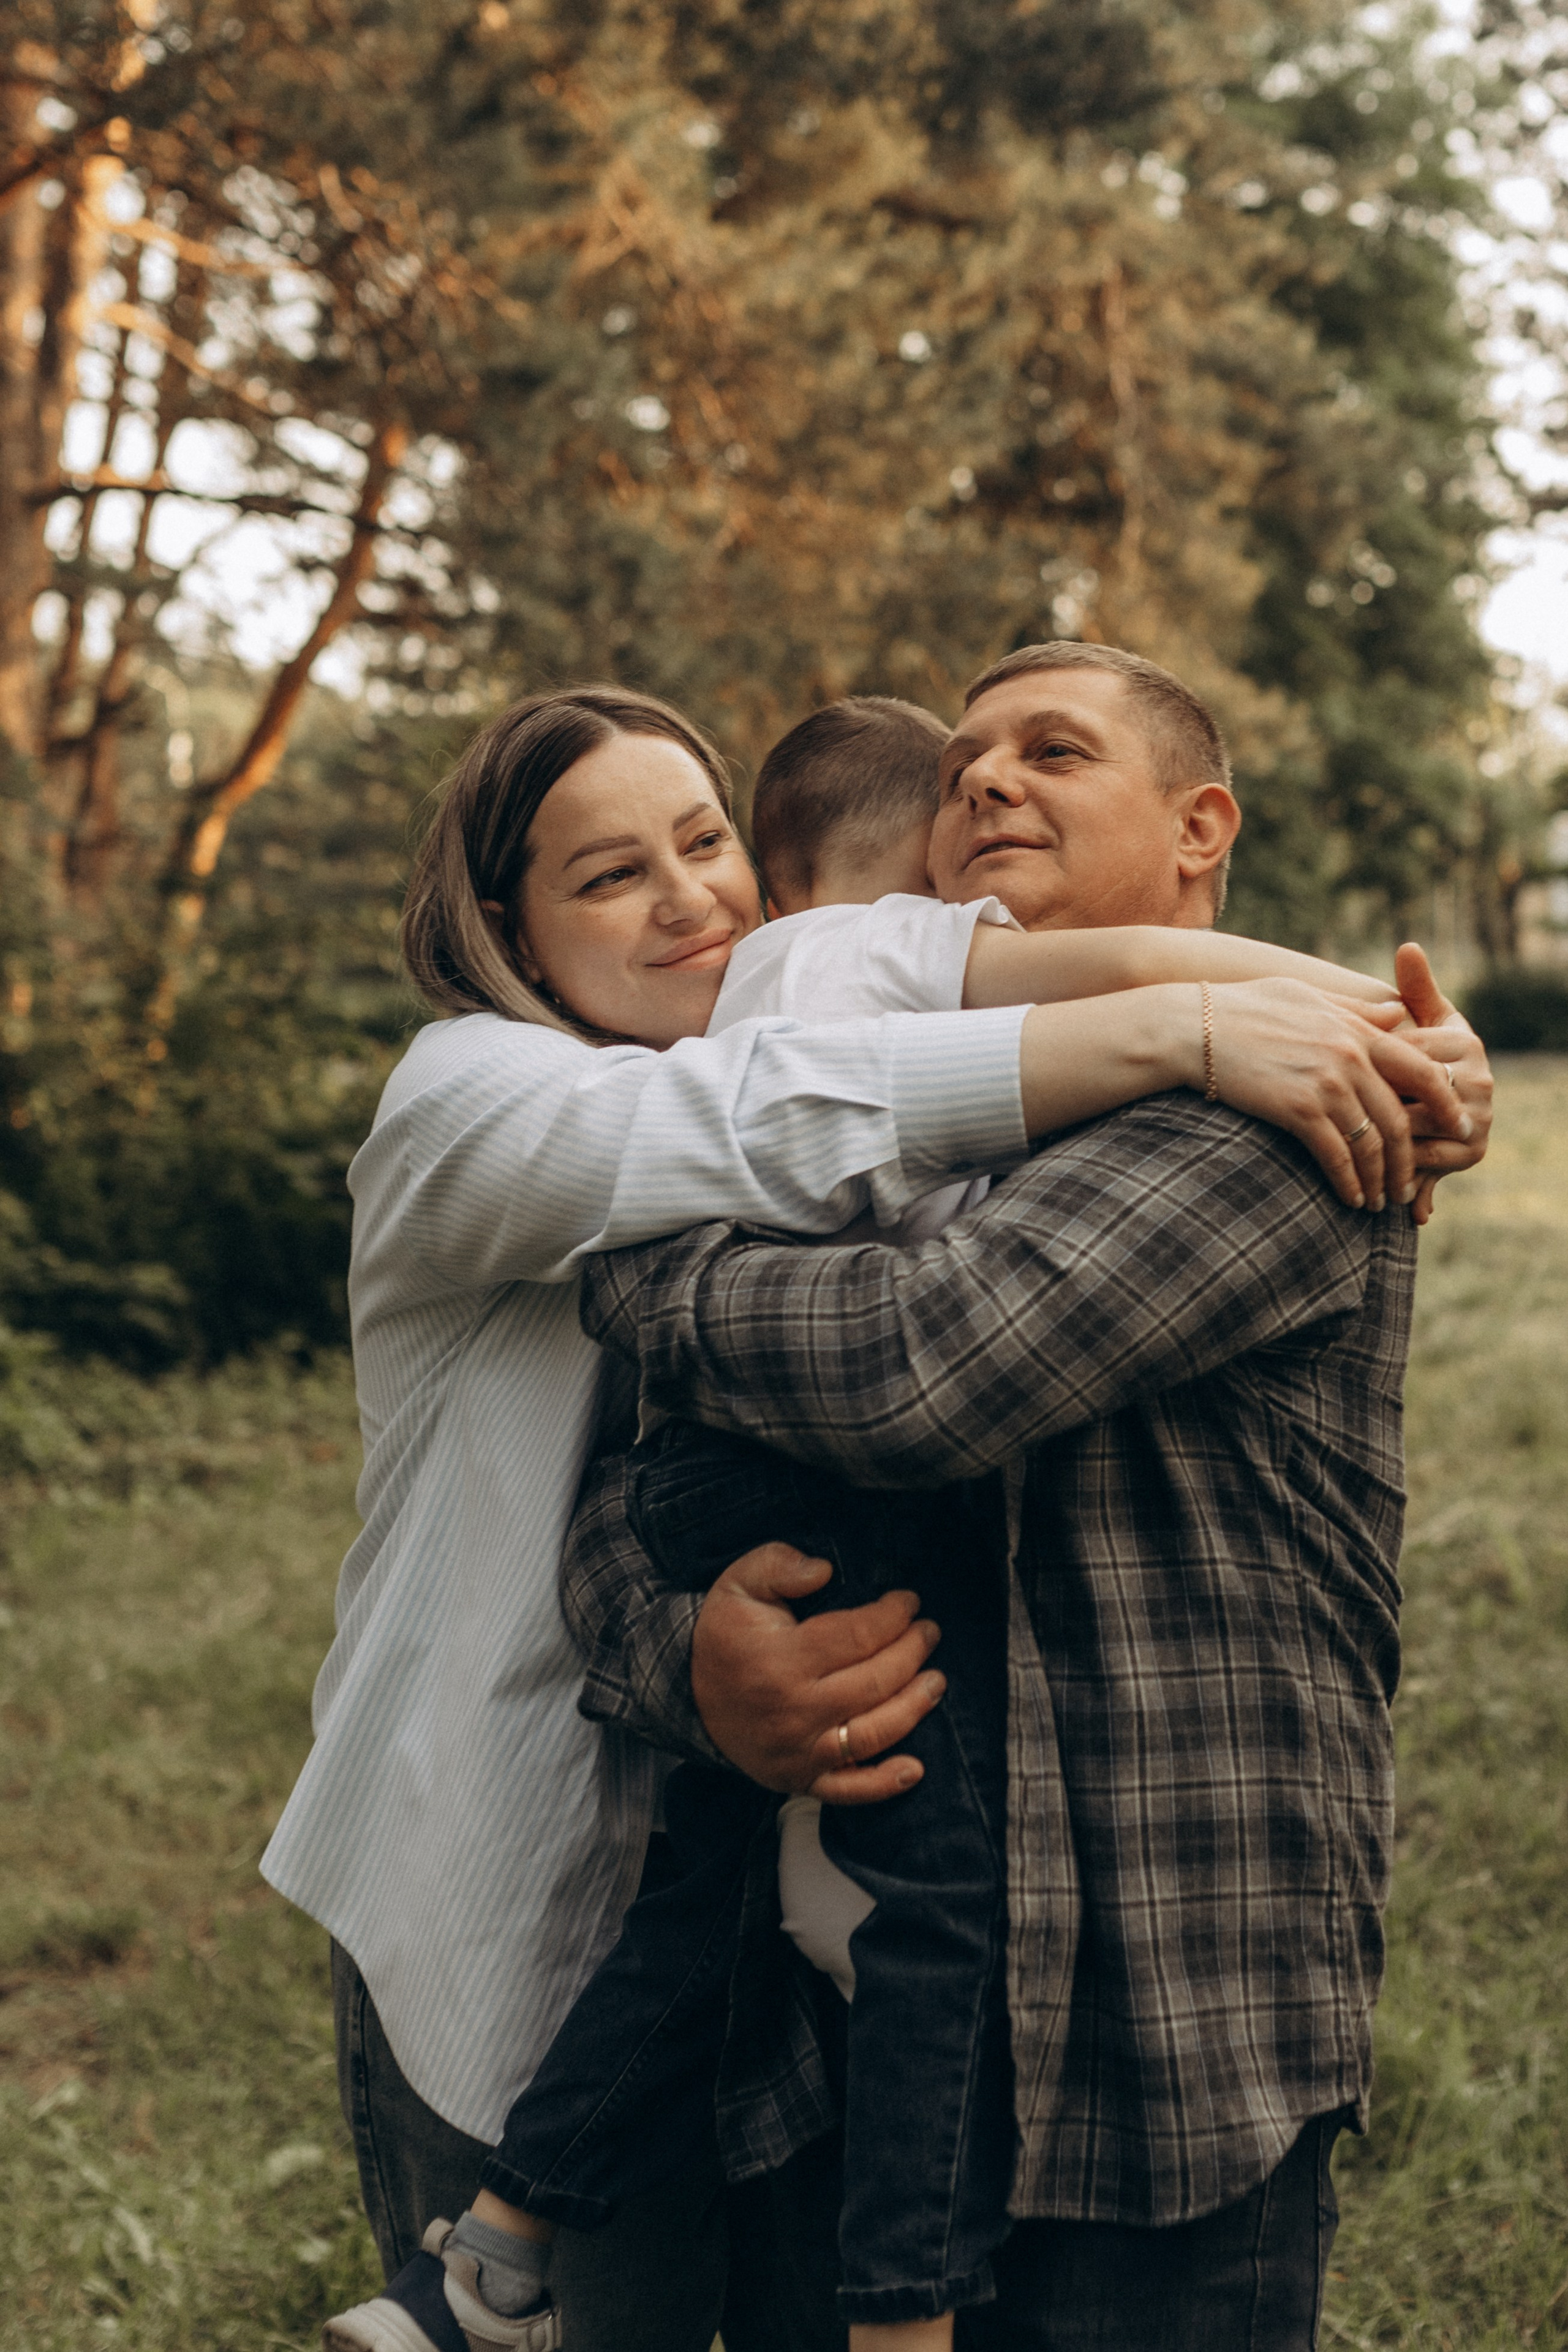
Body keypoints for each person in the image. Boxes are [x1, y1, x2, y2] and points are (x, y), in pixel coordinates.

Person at [321, 676, 1482, 2352]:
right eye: (964, 763)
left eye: (1056, 750)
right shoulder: (538, 1093)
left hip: (1157, 2031)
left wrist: (646, 1278)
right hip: (735, 2003)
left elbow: (926, 1365)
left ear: (1199, 829)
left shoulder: (1278, 1114)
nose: (990, 779)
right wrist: (696, 1662)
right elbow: (632, 1504)